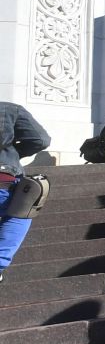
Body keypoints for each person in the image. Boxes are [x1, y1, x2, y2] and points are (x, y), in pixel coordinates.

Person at [0, 102, 51, 281]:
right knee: (18, 215)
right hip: (5, 177)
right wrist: (13, 153)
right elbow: (41, 140)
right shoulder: (8, 108)